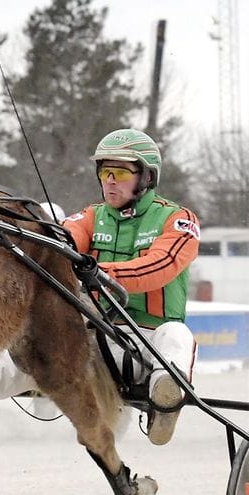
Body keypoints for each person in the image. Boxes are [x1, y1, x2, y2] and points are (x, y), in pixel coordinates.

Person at [63, 128, 200, 445]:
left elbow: (161, 265)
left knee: (178, 335)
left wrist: (98, 272)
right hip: (97, 336)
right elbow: (64, 241)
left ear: (148, 177)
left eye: (121, 171)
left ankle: (165, 397)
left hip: (149, 343)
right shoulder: (89, 217)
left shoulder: (178, 219)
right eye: (105, 171)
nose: (110, 180)